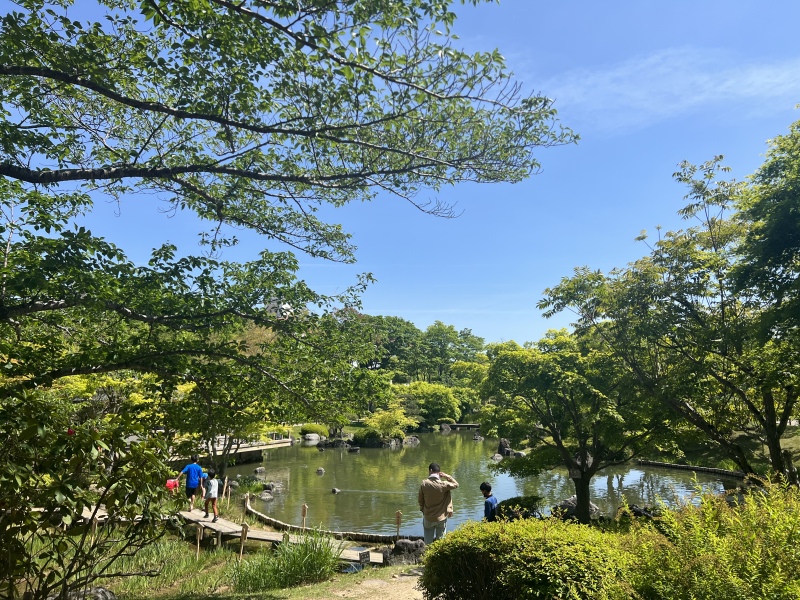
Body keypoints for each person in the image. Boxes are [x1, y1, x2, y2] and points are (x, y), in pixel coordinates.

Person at [418, 462, 459, 545]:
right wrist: (447, 476)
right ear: (439, 472)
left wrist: (423, 510)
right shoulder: (443, 485)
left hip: (428, 517)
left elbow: (420, 500)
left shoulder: (424, 484)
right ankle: (438, 557)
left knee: (428, 543)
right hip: (441, 517)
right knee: (441, 543)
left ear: (430, 470)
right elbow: (456, 484)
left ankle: (428, 556)